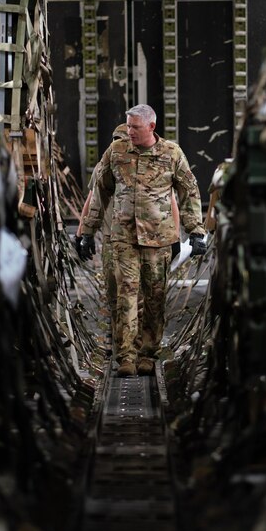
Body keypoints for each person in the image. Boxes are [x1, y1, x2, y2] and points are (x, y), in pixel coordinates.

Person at [75, 104, 206, 377]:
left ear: (151, 127)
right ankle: (126, 357)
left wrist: (196, 230)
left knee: (155, 297)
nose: (129, 132)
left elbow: (188, 191)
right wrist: (87, 231)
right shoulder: (117, 152)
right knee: (125, 296)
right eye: (128, 126)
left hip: (158, 239)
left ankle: (148, 353)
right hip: (123, 238)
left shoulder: (171, 154)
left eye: (135, 127)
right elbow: (100, 192)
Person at [76, 124, 129, 346]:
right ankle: (116, 337)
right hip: (111, 237)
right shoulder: (103, 166)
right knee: (113, 289)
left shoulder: (147, 163)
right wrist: (83, 233)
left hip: (141, 239)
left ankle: (131, 341)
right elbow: (92, 199)